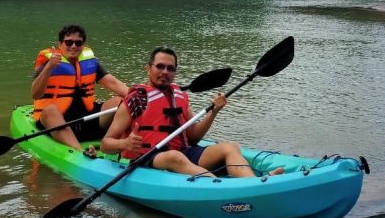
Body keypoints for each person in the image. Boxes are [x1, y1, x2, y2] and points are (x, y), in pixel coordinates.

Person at [100, 46, 283, 177]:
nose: (165, 72)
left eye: (170, 68)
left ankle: (254, 183)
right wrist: (125, 144)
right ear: (148, 68)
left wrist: (214, 112)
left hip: (183, 152)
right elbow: (106, 144)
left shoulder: (178, 96)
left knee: (230, 147)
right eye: (160, 66)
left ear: (175, 72)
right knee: (174, 157)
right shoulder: (135, 99)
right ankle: (218, 184)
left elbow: (193, 137)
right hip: (148, 158)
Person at [32, 24, 128, 154]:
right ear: (60, 44)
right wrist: (49, 67)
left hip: (87, 119)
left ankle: (115, 143)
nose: (73, 46)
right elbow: (36, 94)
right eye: (69, 42)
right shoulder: (48, 63)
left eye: (78, 43)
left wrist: (140, 95)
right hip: (57, 122)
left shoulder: (89, 63)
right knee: (50, 110)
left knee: (121, 101)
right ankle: (80, 152)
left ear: (83, 45)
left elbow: (113, 83)